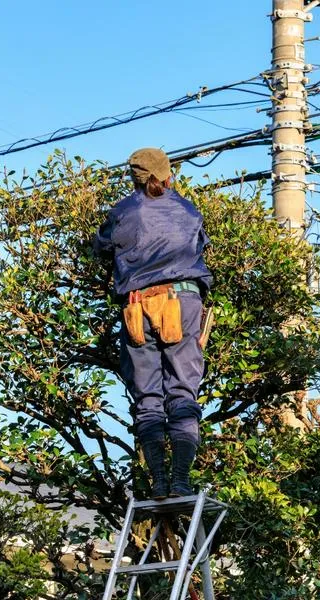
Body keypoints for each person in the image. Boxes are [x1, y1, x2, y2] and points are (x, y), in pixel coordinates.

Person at [93, 147, 212, 498]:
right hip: (181, 301)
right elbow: (200, 244)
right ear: (167, 175)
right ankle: (180, 481)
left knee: (148, 396)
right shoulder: (187, 210)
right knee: (182, 390)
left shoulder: (123, 211)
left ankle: (159, 482)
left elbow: (100, 246)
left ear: (135, 178)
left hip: (137, 306)